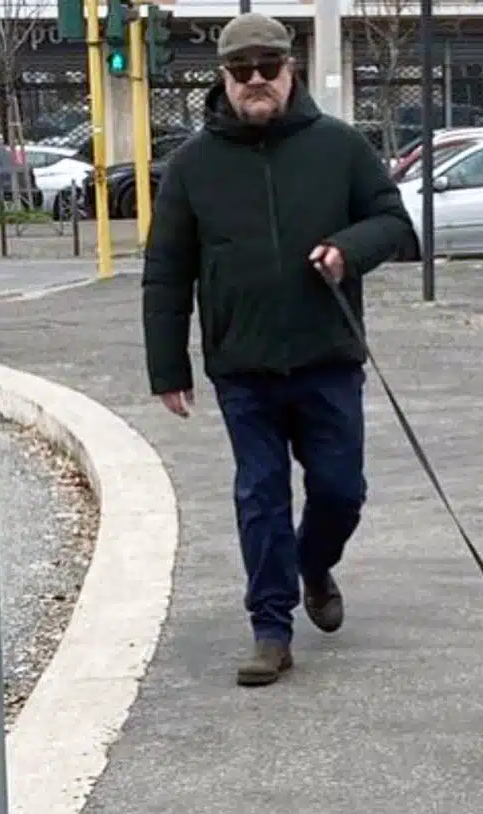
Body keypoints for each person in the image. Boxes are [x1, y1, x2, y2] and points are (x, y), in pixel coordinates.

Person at [142, 11, 418, 687]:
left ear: (290, 69)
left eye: (269, 67)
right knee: (259, 495)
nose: (257, 81)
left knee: (341, 491)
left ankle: (314, 562)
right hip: (245, 368)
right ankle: (271, 628)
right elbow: (166, 270)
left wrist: (345, 253)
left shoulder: (339, 146)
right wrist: (167, 367)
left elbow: (392, 221)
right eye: (242, 72)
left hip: (328, 357)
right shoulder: (191, 167)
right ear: (225, 80)